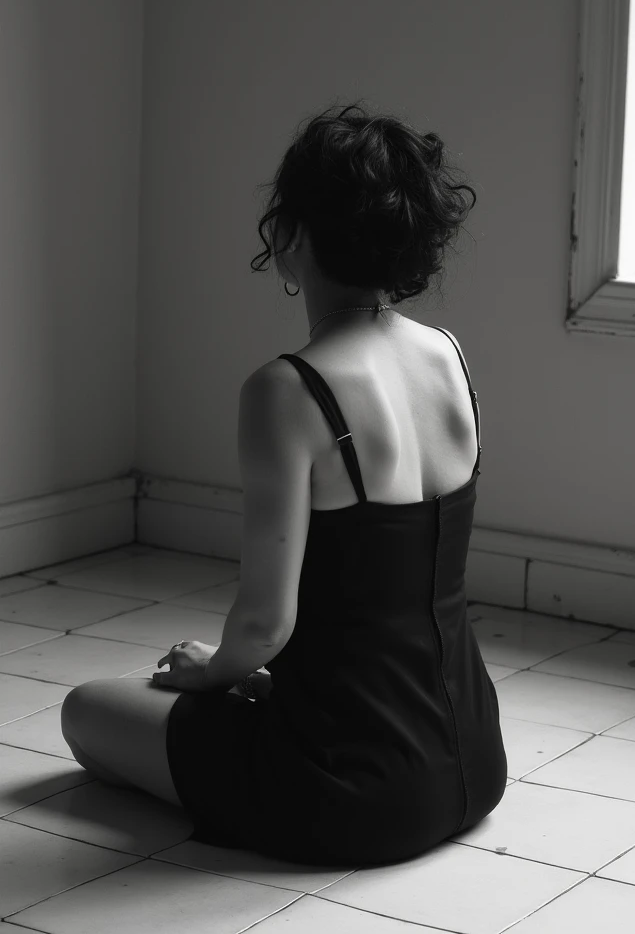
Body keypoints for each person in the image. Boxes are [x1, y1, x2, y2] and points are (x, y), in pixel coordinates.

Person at [61, 100, 507, 867]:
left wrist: (216, 671)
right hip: (471, 757)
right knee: (232, 686)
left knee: (86, 712)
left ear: (292, 234)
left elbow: (266, 623)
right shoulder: (446, 352)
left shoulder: (286, 389)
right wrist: (257, 678)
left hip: (350, 794)